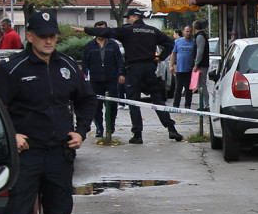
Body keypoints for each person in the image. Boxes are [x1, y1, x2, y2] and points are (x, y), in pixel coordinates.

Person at [0, 10, 96, 214]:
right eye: (43, 35)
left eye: (53, 35)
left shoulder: (66, 66)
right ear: (30, 36)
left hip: (59, 154)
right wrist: (11, 135)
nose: (49, 40)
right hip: (28, 154)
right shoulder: (13, 68)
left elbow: (86, 99)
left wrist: (82, 131)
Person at [75, 8, 182, 143]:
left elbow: (107, 32)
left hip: (134, 69)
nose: (126, 20)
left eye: (128, 17)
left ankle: (137, 135)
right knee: (158, 100)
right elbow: (170, 43)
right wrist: (160, 57)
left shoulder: (127, 30)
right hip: (149, 68)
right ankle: (171, 128)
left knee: (133, 102)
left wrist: (85, 30)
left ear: (135, 17)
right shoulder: (152, 30)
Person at [81, 20, 125, 138]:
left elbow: (120, 60)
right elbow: (85, 63)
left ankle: (110, 126)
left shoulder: (113, 45)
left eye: (103, 29)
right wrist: (84, 77)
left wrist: (121, 74)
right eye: (98, 29)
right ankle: (99, 128)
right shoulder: (89, 46)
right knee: (96, 106)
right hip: (95, 80)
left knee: (112, 105)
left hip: (111, 78)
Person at [171, 24, 194, 108]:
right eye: (187, 31)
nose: (188, 33)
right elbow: (173, 54)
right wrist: (171, 65)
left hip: (189, 69)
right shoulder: (178, 41)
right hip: (180, 69)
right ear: (184, 32)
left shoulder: (194, 42)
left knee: (189, 89)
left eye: (190, 32)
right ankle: (176, 105)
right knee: (178, 88)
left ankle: (188, 105)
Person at [191, 20, 210, 111]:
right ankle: (204, 103)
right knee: (201, 84)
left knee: (202, 85)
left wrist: (196, 64)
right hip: (203, 64)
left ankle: (205, 104)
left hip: (201, 65)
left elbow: (200, 51)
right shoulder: (203, 35)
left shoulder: (200, 36)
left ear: (194, 27)